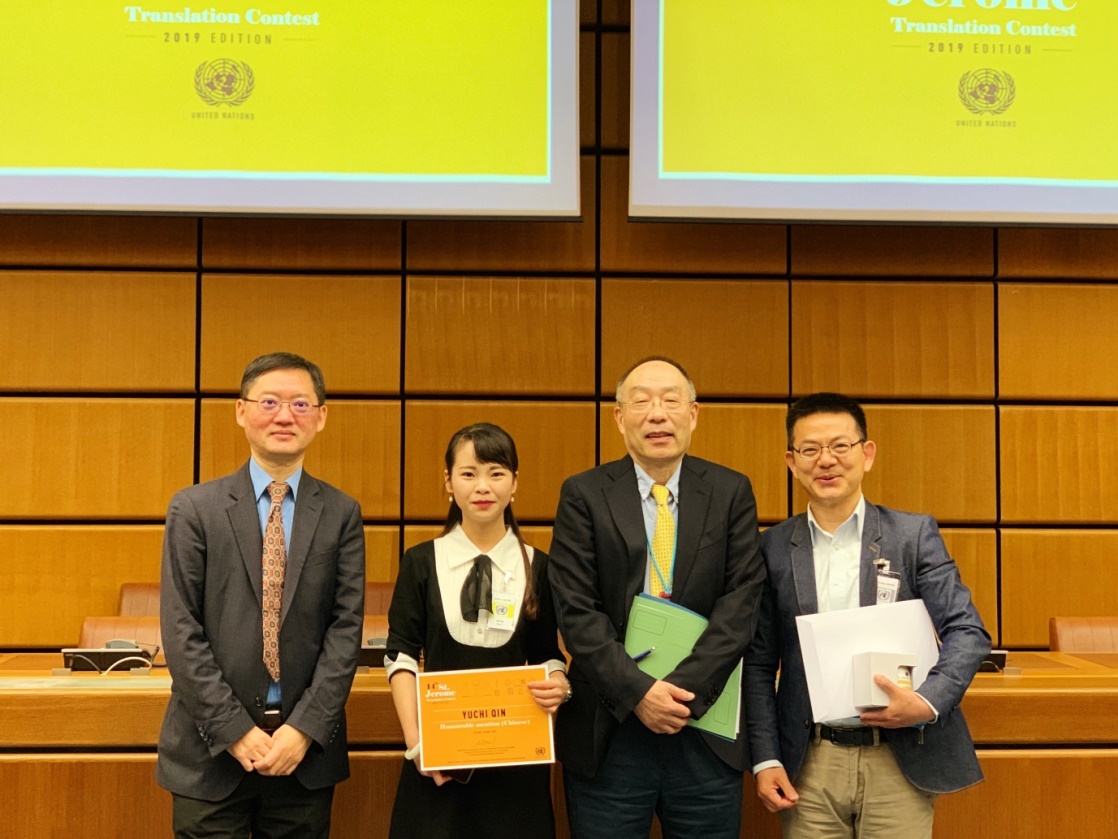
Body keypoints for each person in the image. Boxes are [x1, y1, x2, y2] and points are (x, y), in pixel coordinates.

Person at [744, 392, 991, 839]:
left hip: (898, 756)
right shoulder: (772, 548)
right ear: (792, 462)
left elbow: (967, 631)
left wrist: (927, 701)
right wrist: (766, 758)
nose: (826, 460)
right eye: (810, 449)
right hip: (811, 763)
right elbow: (759, 663)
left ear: (867, 454)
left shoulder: (911, 536)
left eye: (840, 446)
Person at [548, 356, 766, 839]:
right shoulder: (584, 494)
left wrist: (680, 693)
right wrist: (640, 693)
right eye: (641, 401)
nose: (657, 414)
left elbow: (741, 602)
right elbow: (576, 610)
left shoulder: (730, 491)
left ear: (693, 413)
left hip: (703, 725)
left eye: (670, 400)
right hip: (610, 729)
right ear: (619, 417)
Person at [157, 352, 366, 839]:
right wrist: (234, 730)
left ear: (321, 416)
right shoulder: (194, 509)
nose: (284, 416)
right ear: (241, 411)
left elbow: (345, 630)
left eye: (300, 404)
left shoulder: (341, 513)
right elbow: (181, 630)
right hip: (209, 754)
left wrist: (304, 729)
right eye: (269, 402)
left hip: (303, 756)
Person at [385, 422, 569, 839]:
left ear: (514, 483)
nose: (482, 486)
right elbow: (400, 654)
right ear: (448, 482)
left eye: (496, 473)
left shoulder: (539, 566)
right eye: (468, 473)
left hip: (515, 765)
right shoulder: (420, 562)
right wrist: (417, 745)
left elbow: (548, 655)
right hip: (438, 762)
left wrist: (559, 681)